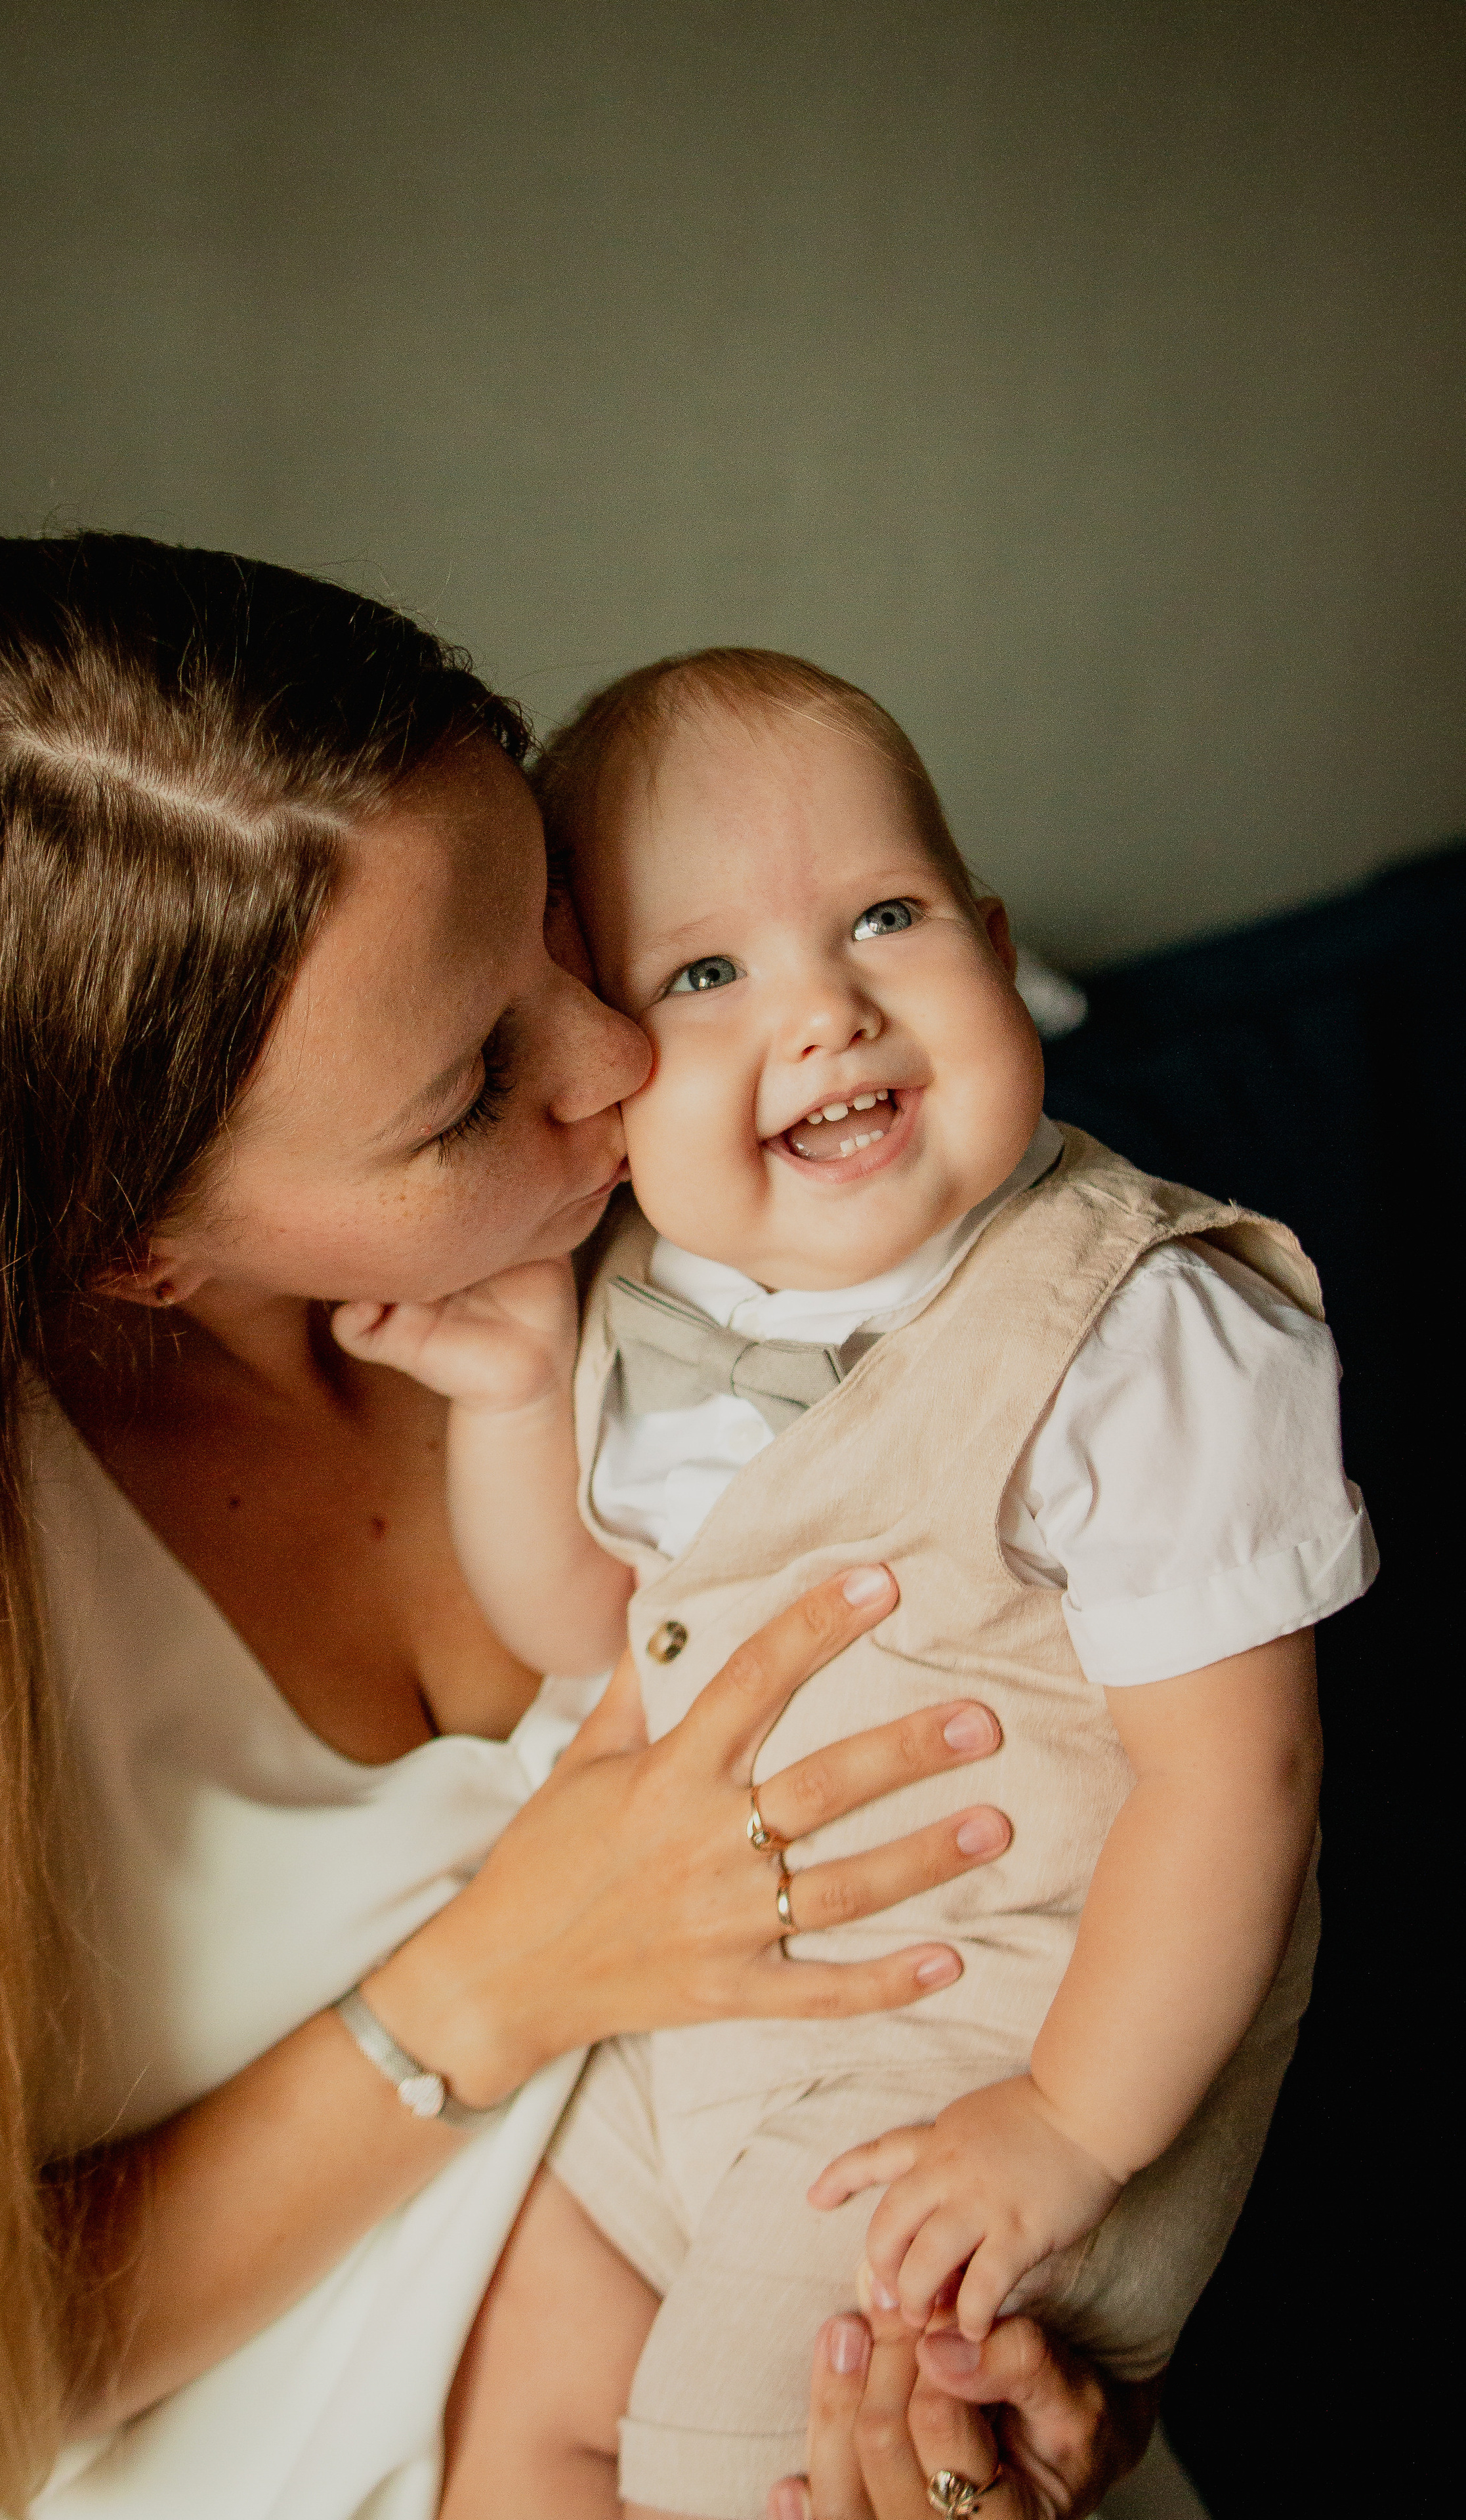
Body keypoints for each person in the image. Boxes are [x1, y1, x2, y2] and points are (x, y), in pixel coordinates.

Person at [0, 541, 1158, 2520]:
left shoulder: (762, 1209)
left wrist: (1036, 2368)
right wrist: (498, 1977)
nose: (616, 1064)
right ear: (134, 1246)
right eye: (468, 1093)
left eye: (562, 935)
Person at [340, 648, 1373, 2519]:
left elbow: (1246, 1787)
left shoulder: (1142, 1331)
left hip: (1015, 2042)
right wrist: (511, 1392)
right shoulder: (646, 1280)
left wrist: (1066, 2131)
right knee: (507, 2387)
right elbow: (587, 1627)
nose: (825, 1010)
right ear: (600, 1066)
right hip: (704, 2027)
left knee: (741, 2465)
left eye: (887, 918)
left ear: (995, 946)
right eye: (704, 973)